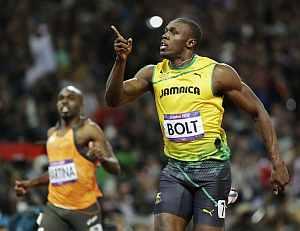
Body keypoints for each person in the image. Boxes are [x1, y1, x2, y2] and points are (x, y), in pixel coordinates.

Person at [105, 18, 290, 231]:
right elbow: (113, 99)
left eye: (173, 32)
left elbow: (258, 111)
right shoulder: (153, 73)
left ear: (190, 43)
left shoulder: (216, 73)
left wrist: (277, 163)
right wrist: (120, 61)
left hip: (212, 171)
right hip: (176, 170)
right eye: (165, 31)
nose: (164, 36)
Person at [15, 86, 121, 231]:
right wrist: (30, 184)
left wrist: (102, 159)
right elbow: (56, 172)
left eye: (71, 98)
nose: (65, 102)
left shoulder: (89, 130)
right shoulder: (51, 134)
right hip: (55, 208)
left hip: (83, 208)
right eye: (61, 98)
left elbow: (115, 168)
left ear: (81, 105)